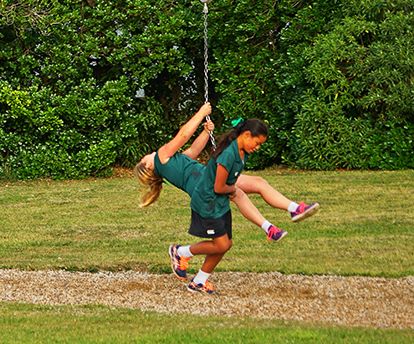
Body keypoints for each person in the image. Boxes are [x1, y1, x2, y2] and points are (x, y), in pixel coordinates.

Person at [134, 105, 319, 293]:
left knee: (256, 185)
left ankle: (284, 216)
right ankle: (182, 253)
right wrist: (201, 113)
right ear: (148, 165)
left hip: (209, 178)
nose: (148, 154)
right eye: (144, 157)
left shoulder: (172, 161)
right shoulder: (161, 158)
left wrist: (206, 133)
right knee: (242, 197)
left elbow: (193, 150)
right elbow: (182, 136)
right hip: (207, 189)